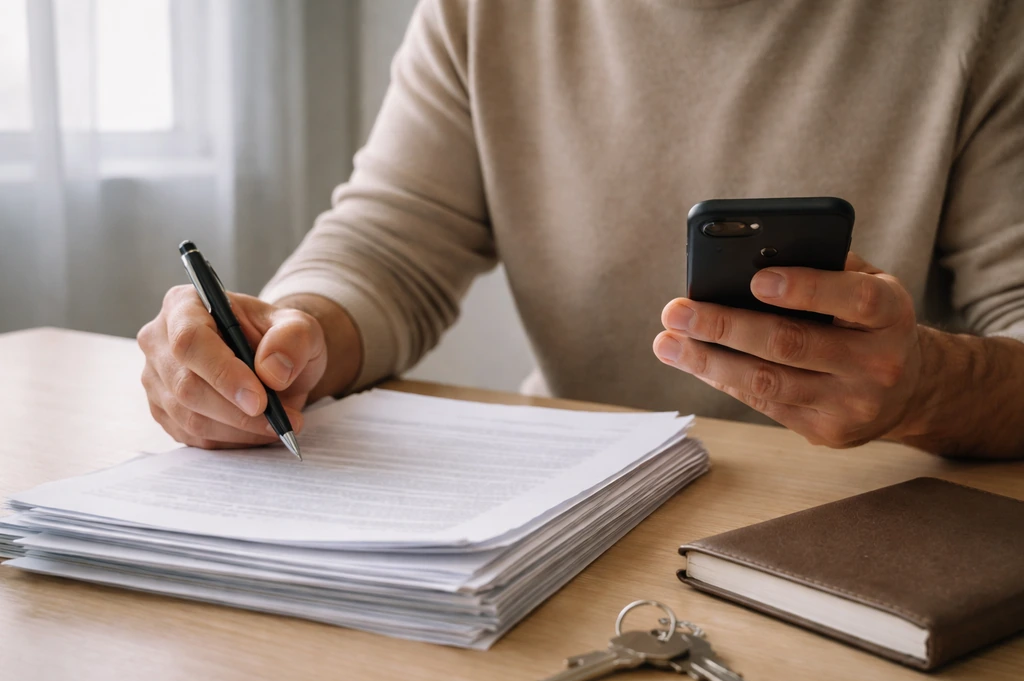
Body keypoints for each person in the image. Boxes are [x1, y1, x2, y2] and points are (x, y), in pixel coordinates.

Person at [137, 0, 1024, 459]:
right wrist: (291, 336)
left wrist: (926, 387)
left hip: (866, 523)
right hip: (575, 511)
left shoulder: (980, 20)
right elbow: (390, 242)